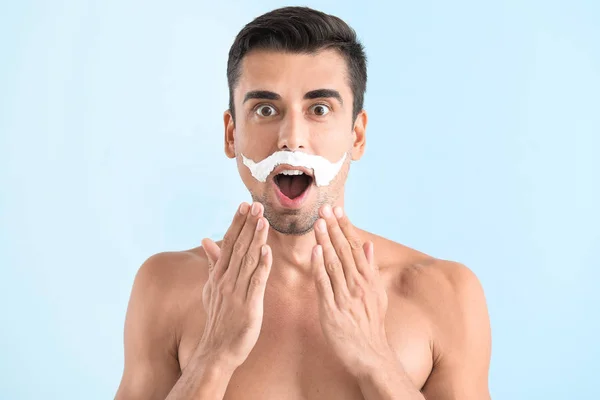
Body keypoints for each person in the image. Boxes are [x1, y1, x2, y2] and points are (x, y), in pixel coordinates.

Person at [115, 6, 491, 400]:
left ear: (357, 136)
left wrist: (375, 360)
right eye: (265, 109)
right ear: (231, 135)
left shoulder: (444, 293)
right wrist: (214, 355)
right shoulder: (165, 287)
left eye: (319, 109)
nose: (291, 137)